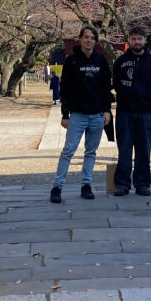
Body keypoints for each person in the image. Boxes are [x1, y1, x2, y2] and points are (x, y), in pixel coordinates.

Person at [51, 25, 112, 204]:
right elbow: (65, 89)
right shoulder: (71, 61)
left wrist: (107, 110)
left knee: (91, 152)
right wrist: (65, 114)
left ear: (95, 41)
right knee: (68, 150)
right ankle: (57, 186)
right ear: (80, 39)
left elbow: (105, 88)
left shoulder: (101, 60)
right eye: (85, 37)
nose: (88, 40)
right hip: (77, 114)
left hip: (97, 114)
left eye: (92, 38)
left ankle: (86, 184)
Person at [112, 25, 151, 197]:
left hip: (144, 112)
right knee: (124, 149)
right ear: (129, 40)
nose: (137, 42)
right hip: (125, 111)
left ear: (145, 40)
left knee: (143, 149)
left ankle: (143, 184)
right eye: (133, 38)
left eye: (140, 38)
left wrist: (148, 101)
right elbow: (117, 83)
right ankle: (122, 184)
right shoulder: (120, 61)